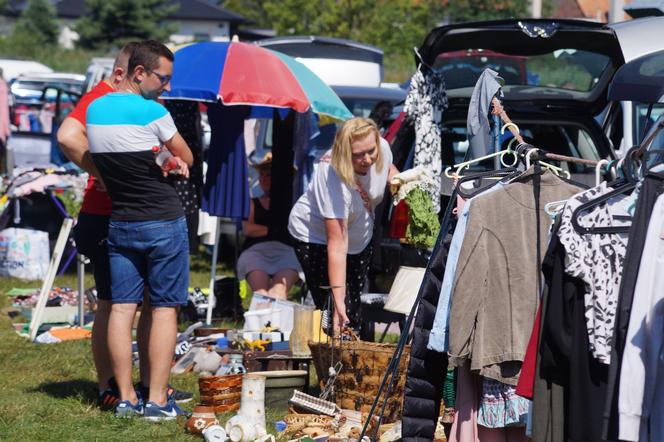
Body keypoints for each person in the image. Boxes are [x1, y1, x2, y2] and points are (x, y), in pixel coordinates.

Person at [86, 40, 193, 419]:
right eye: (163, 78)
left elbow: (133, 153)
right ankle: (158, 401)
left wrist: (159, 156)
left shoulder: (95, 110)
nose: (167, 87)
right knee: (164, 310)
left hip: (121, 222)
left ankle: (126, 398)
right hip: (163, 221)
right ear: (139, 73)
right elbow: (187, 156)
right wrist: (170, 156)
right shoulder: (153, 112)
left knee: (120, 310)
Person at [288, 117, 398, 333]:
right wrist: (338, 301)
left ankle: (356, 355)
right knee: (331, 308)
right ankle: (330, 359)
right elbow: (337, 245)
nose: (367, 159)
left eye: (370, 151)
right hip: (315, 237)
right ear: (345, 153)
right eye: (358, 155)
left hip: (360, 236)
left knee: (354, 305)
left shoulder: (382, 147)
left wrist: (397, 179)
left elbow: (388, 167)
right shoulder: (331, 176)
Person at [237, 152, 302, 299]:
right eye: (262, 175)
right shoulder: (252, 202)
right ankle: (262, 321)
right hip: (256, 252)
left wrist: (264, 231)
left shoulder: (294, 204)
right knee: (261, 294)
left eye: (269, 175)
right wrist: (276, 230)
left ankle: (275, 322)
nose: (263, 179)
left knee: (277, 293)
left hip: (286, 251)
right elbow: (248, 229)